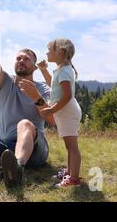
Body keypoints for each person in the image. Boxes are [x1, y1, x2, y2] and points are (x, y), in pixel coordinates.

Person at [0, 11, 52, 188]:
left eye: (26, 59)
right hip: (6, 147)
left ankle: (17, 169)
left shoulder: (43, 89)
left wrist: (37, 98)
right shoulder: (5, 82)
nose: (21, 61)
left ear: (34, 66)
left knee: (25, 124)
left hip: (35, 150)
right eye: (18, 58)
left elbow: (53, 120)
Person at [38, 38, 82, 187]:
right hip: (65, 113)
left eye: (50, 49)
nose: (47, 52)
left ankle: (74, 179)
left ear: (61, 52)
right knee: (69, 146)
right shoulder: (61, 70)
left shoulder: (64, 71)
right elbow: (53, 85)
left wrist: (51, 109)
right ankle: (70, 172)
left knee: (72, 147)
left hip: (67, 113)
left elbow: (67, 95)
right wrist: (44, 70)